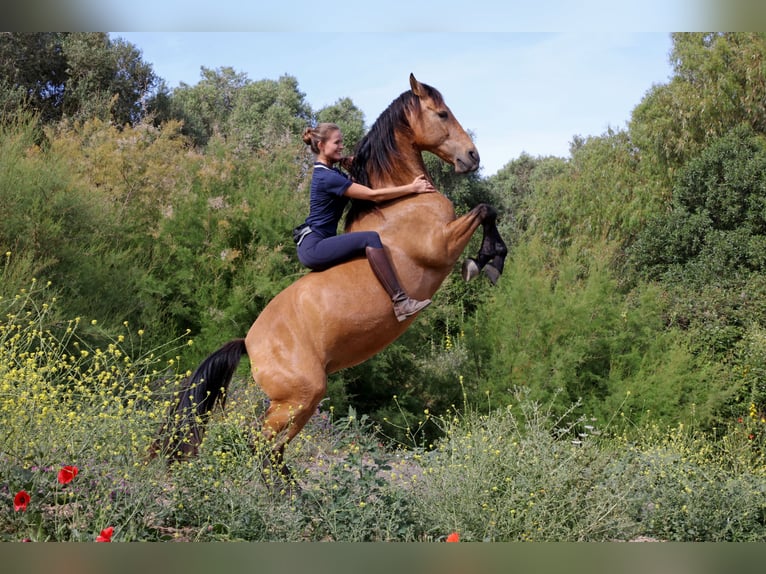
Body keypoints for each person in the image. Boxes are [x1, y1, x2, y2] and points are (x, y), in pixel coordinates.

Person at [297, 122, 436, 322]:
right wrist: (412, 188)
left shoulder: (332, 173)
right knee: (370, 238)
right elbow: (373, 195)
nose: (341, 146)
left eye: (341, 142)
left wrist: (352, 168)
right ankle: (401, 301)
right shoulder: (327, 177)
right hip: (314, 246)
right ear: (321, 146)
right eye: (337, 143)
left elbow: (358, 188)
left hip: (316, 242)